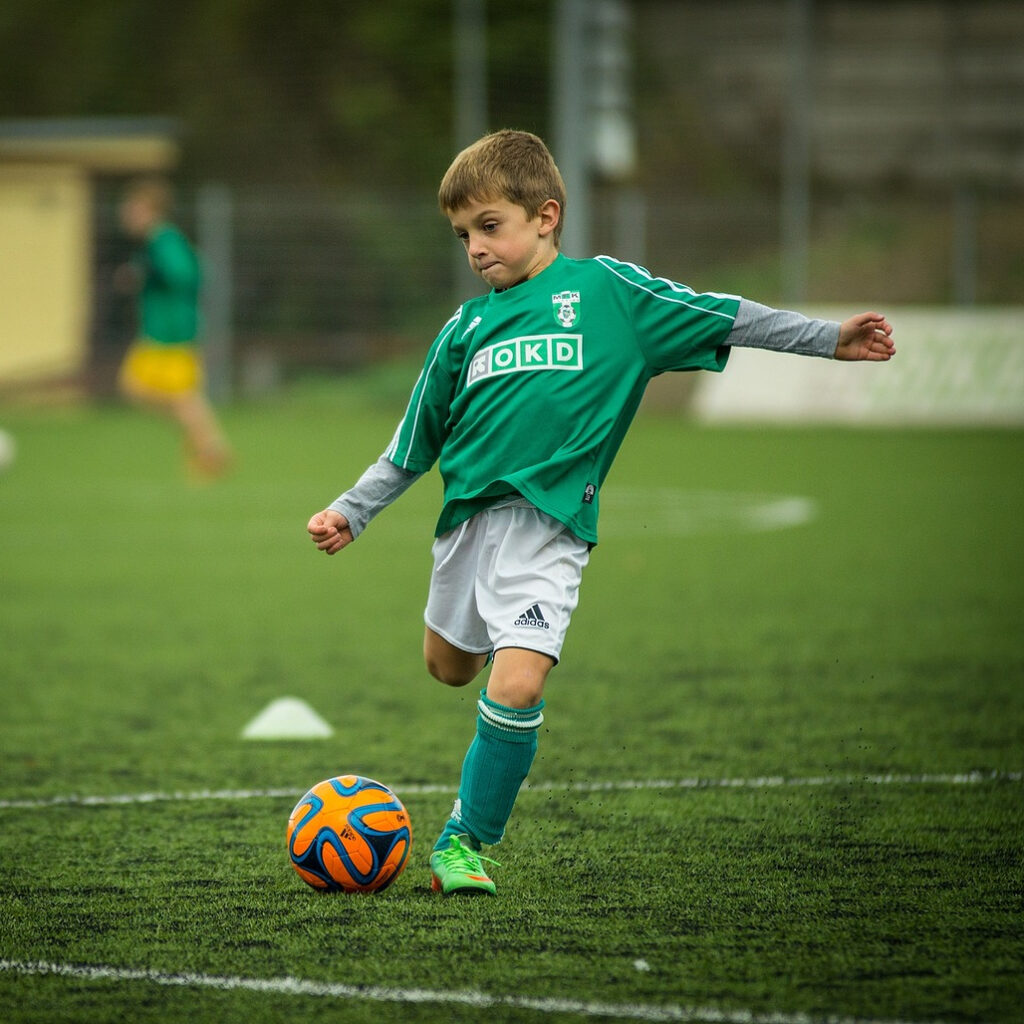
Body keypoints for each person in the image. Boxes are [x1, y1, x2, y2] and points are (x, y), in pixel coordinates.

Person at [307, 130, 894, 896]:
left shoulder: (610, 295)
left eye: (490, 226)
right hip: (466, 531)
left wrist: (826, 339)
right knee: (448, 668)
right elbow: (411, 444)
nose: (476, 248)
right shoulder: (464, 331)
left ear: (546, 215)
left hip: (550, 531)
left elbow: (723, 315)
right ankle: (502, 662)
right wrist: (353, 512)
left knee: (515, 687)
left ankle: (464, 841)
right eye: (462, 235)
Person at [116, 176, 232, 479]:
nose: (127, 214)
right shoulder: (156, 242)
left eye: (133, 208)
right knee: (146, 391)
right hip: (161, 331)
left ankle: (210, 448)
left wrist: (148, 273)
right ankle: (206, 444)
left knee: (173, 395)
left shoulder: (162, 239)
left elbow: (188, 273)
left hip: (171, 332)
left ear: (150, 210)